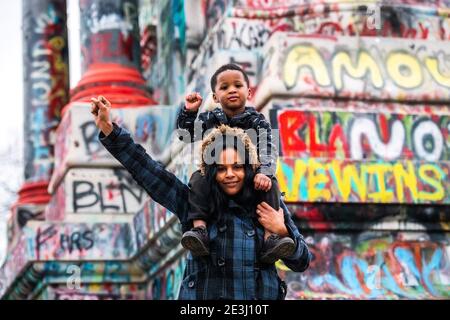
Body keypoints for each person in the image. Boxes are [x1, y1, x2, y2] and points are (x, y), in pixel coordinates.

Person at [91, 95, 311, 300]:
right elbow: (149, 172)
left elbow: (302, 261)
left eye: (237, 167)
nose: (230, 174)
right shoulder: (195, 203)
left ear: (249, 168)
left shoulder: (267, 203)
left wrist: (281, 230)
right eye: (221, 168)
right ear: (212, 171)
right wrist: (109, 130)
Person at [177, 63, 293, 263]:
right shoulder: (210, 119)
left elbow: (268, 148)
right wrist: (189, 112)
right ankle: (199, 230)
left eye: (237, 85)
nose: (231, 90)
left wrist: (264, 172)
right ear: (215, 97)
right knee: (198, 178)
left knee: (272, 184)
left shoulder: (258, 121)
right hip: (217, 182)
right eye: (224, 87)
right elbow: (185, 135)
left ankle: (270, 239)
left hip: (248, 182)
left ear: (248, 92)